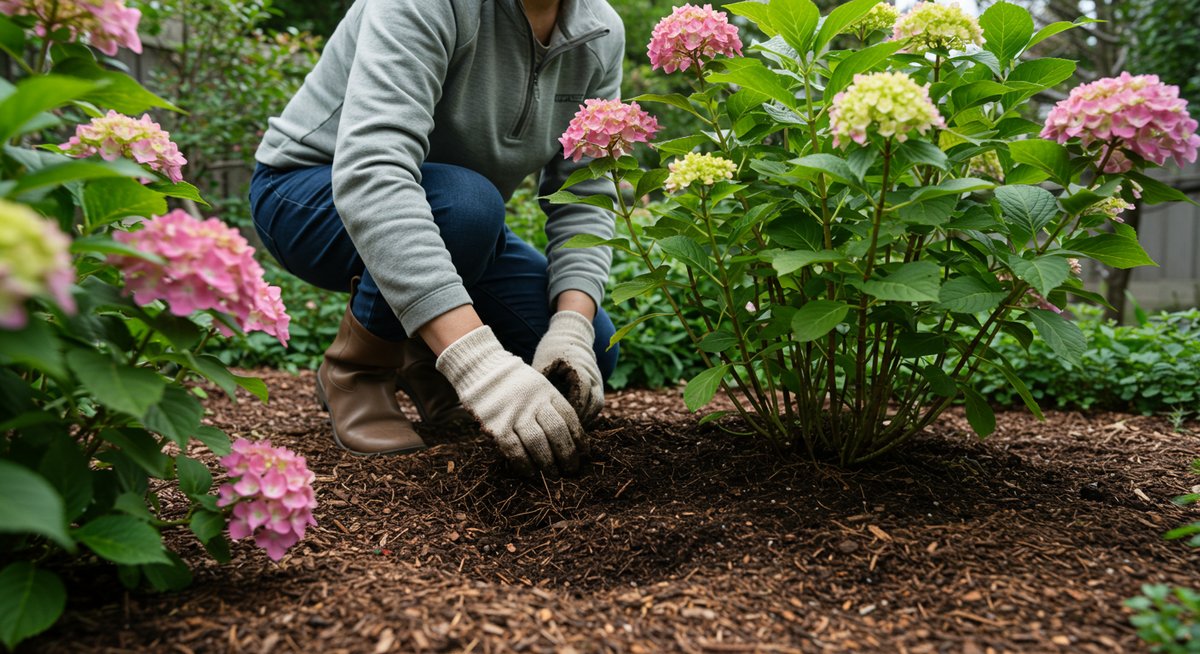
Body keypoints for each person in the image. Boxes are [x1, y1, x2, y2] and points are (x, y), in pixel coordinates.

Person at [249, 0, 626, 477]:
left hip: (452, 212)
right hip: (308, 193)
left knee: (593, 349)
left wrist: (571, 327)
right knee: (468, 208)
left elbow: (584, 193)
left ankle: (423, 352)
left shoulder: (600, 32)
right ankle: (358, 369)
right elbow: (373, 173)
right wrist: (479, 364)